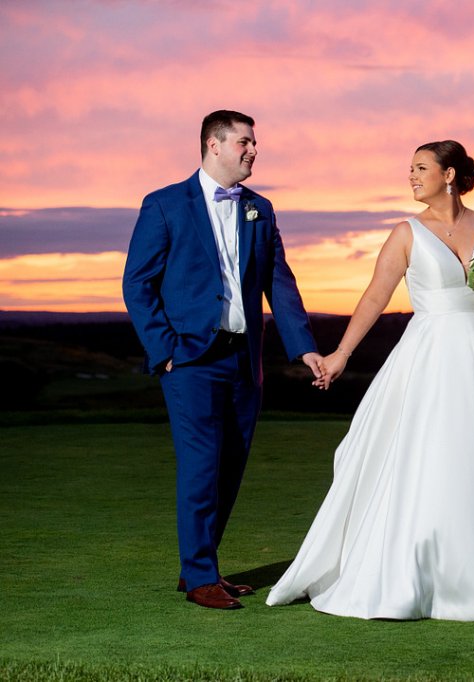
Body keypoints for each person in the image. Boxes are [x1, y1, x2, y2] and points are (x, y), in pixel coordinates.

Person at [266, 140, 474, 620]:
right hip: (430, 355)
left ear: (449, 175)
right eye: (410, 169)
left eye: (420, 168)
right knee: (433, 452)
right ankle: (423, 573)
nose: (410, 176)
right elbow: (374, 297)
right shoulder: (406, 232)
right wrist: (342, 354)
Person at [122, 110, 323, 610]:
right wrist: (164, 351)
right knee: (200, 466)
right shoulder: (165, 204)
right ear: (214, 144)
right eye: (245, 142)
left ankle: (202, 565)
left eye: (255, 143)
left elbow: (279, 282)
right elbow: (137, 284)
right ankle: (198, 578)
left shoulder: (261, 208)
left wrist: (304, 347)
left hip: (243, 361)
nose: (254, 150)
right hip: (188, 361)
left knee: (231, 465)